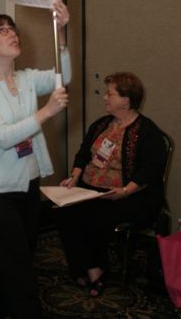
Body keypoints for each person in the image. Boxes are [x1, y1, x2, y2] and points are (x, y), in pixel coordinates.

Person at [0, 0, 71, 319]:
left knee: (14, 262)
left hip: (27, 185)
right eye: (2, 29)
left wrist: (61, 33)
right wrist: (47, 111)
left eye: (12, 27)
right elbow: (2, 136)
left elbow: (62, 75)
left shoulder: (25, 79)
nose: (12, 32)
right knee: (20, 272)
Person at [56, 71, 167, 298]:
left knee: (93, 215)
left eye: (110, 94)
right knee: (63, 212)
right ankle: (83, 266)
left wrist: (126, 191)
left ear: (126, 100)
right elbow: (83, 154)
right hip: (89, 189)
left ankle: (95, 271)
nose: (105, 98)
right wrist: (74, 177)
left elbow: (151, 170)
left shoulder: (147, 132)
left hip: (129, 195)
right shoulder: (101, 125)